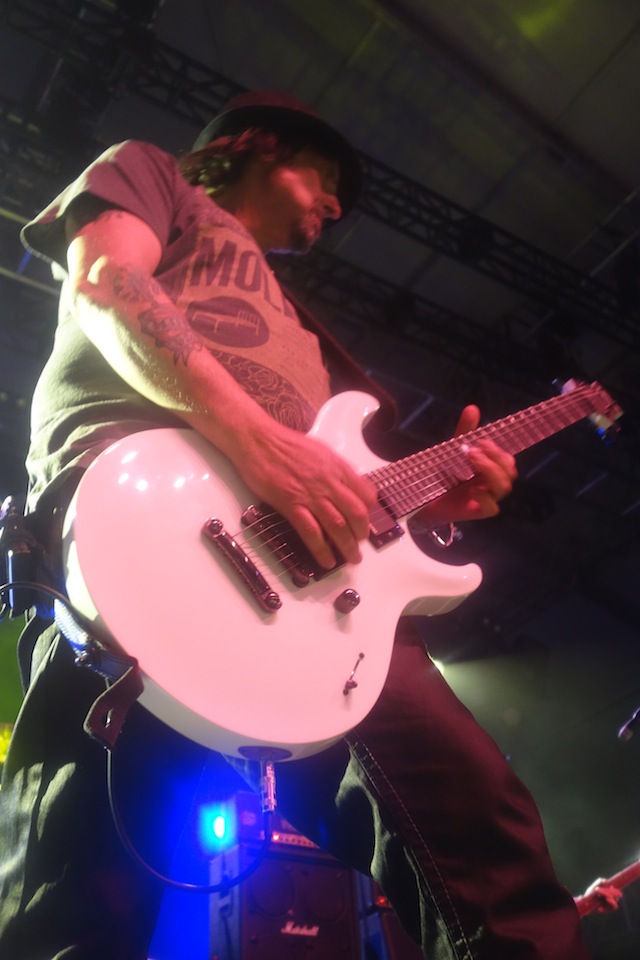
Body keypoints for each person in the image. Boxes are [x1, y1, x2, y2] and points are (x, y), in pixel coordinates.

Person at [0, 90, 591, 959]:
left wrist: (429, 500)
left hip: (321, 593)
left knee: (483, 843)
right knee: (76, 903)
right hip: (134, 526)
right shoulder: (153, 174)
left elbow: (333, 473)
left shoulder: (310, 331)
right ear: (255, 145)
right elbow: (106, 281)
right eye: (323, 179)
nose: (336, 207)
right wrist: (260, 443)